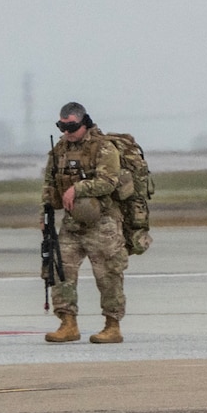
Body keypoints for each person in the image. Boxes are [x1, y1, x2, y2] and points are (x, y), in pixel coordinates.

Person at [40, 102, 128, 344]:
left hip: (102, 223)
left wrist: (78, 188)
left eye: (72, 126)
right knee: (60, 271)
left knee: (108, 275)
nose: (67, 132)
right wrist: (44, 216)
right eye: (62, 126)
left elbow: (109, 181)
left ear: (84, 122)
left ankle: (112, 326)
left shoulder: (103, 148)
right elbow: (49, 184)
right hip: (71, 224)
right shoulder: (59, 150)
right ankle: (68, 323)